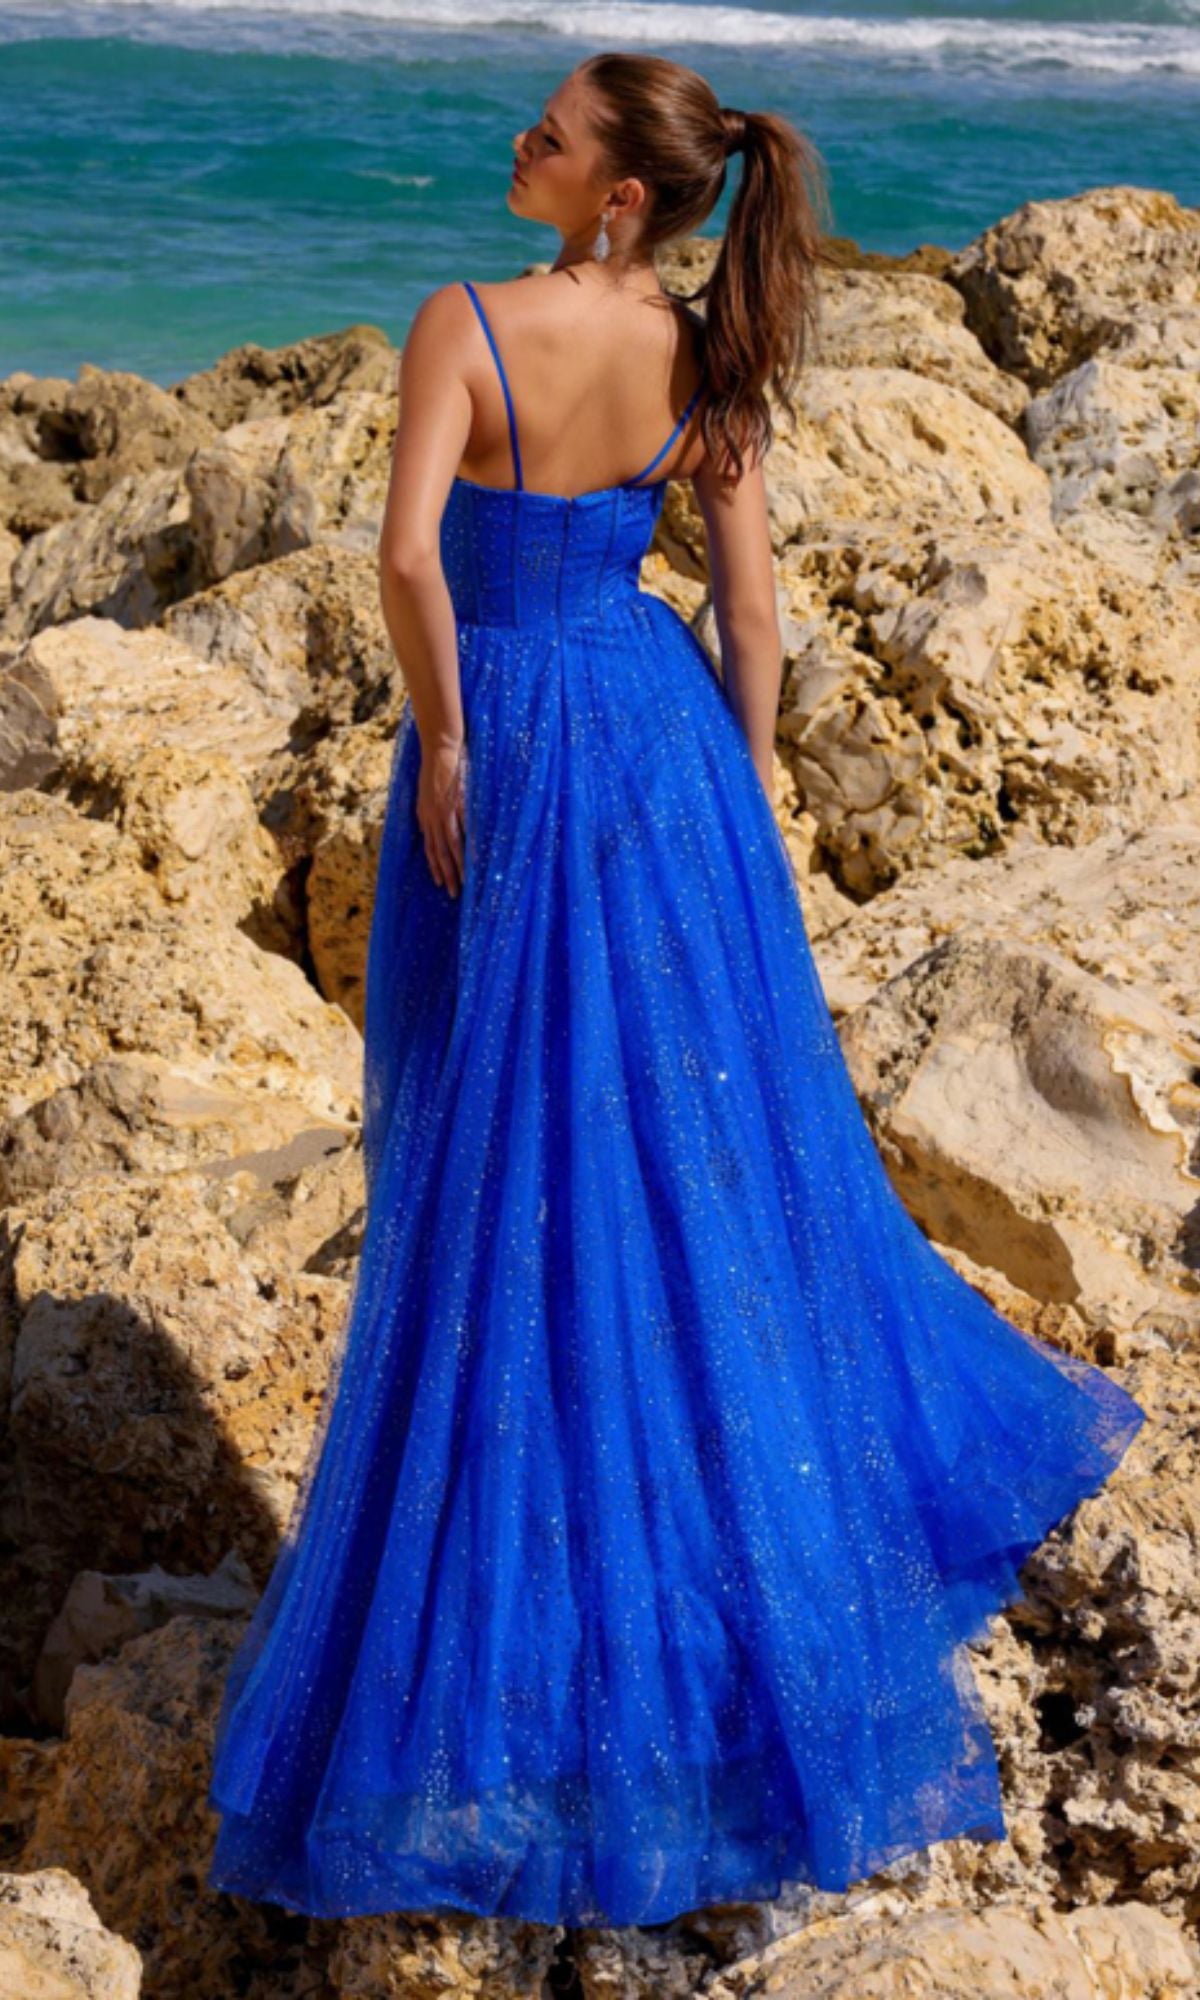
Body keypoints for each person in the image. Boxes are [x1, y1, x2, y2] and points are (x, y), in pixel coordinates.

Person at [206, 52, 1147, 1930]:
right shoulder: (705, 357)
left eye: (548, 133)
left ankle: (515, 1618)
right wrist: (723, 810)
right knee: (677, 1176)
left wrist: (452, 742)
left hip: (509, 751)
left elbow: (408, 560)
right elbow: (757, 617)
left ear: (618, 194)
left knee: (492, 1174)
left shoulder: (461, 326)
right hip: (653, 751)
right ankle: (716, 1570)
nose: (519, 143)